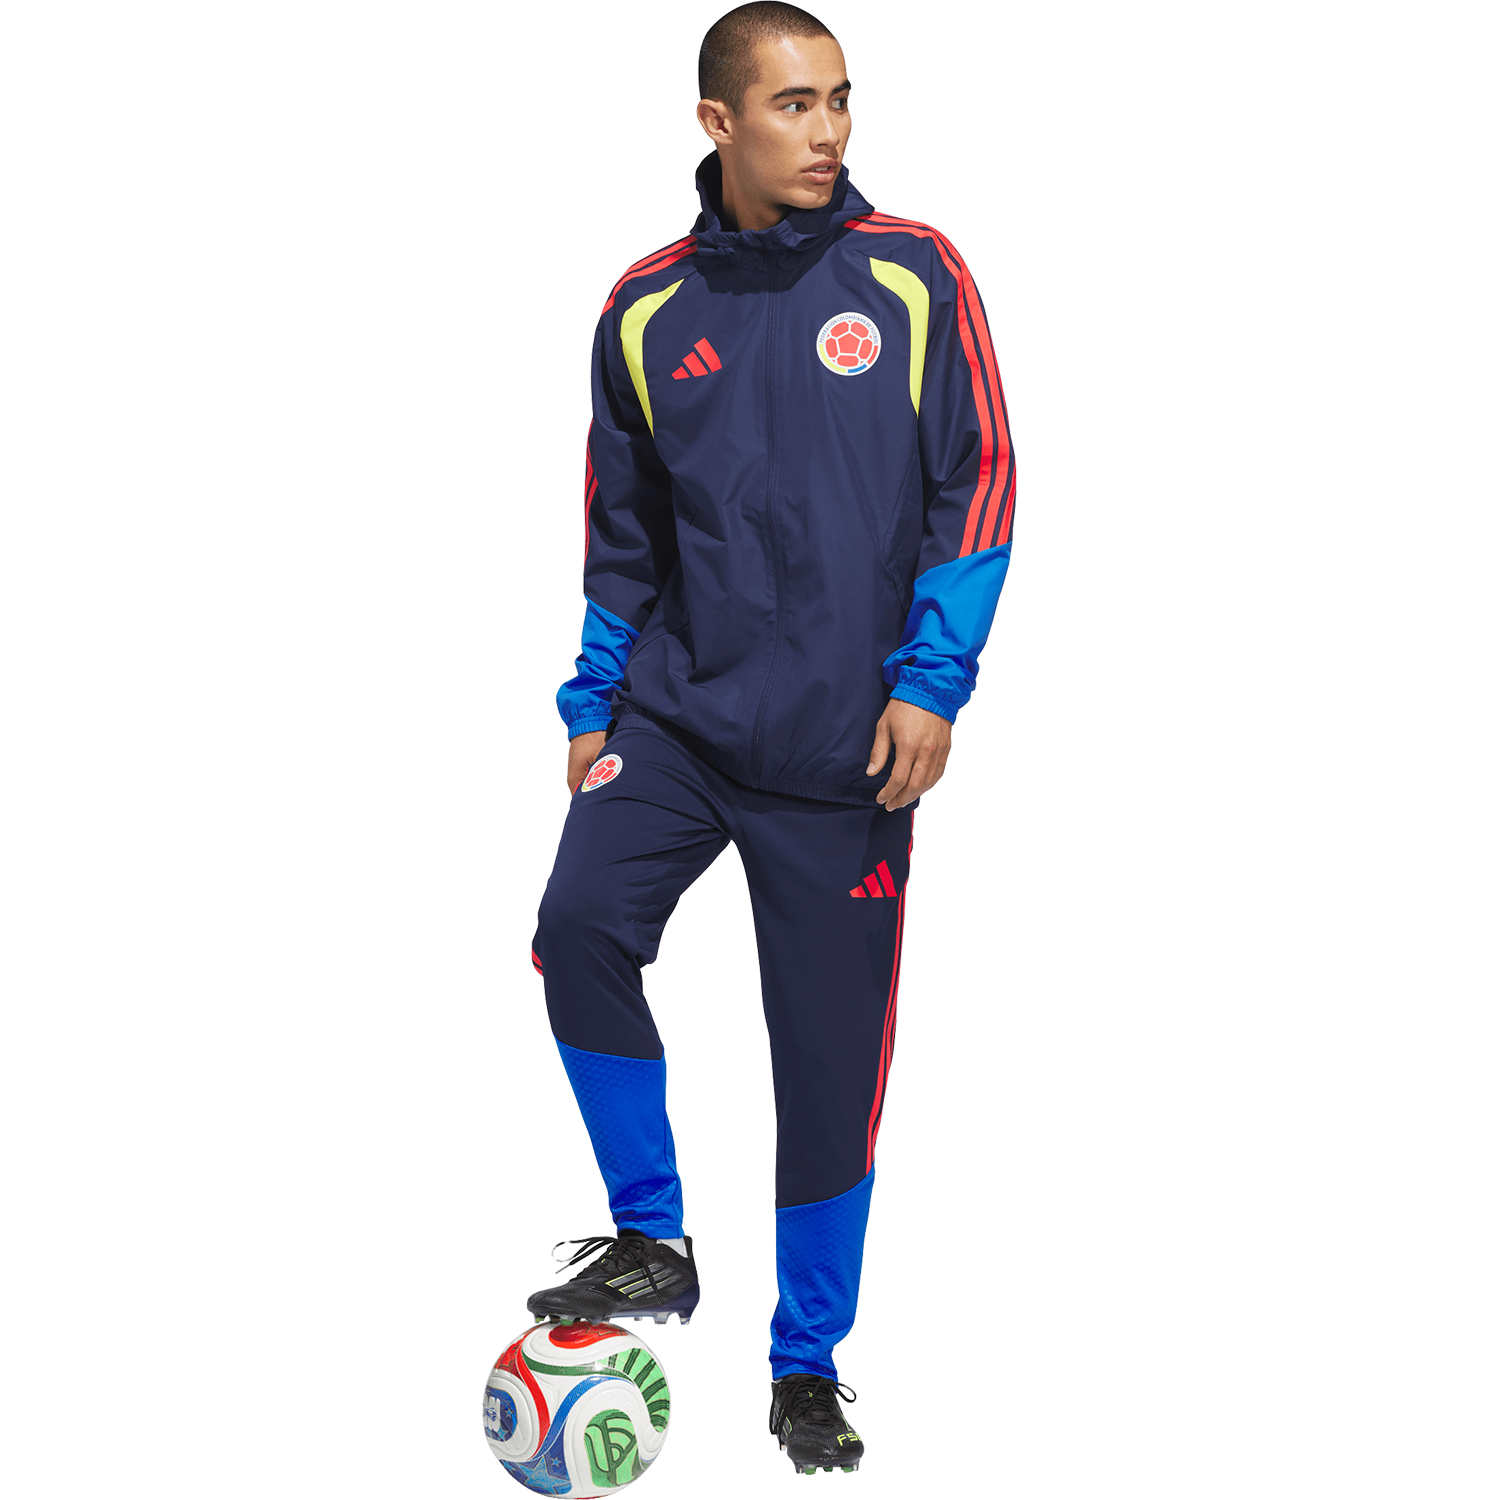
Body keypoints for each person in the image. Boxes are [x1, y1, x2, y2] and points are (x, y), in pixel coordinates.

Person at [526, 0, 1014, 1474]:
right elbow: (622, 533)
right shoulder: (645, 308)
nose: (830, 131)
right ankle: (651, 1237)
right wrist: (594, 700)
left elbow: (980, 484)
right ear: (718, 121)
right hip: (681, 715)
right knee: (576, 927)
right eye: (796, 104)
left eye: (840, 100)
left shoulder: (915, 275)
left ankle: (806, 1361)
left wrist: (933, 683)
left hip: (847, 743)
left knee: (825, 1057)